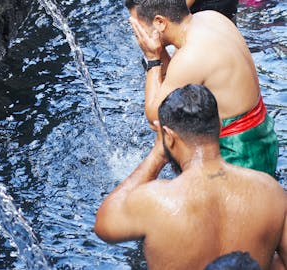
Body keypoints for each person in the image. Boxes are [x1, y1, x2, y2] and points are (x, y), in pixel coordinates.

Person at [94, 85, 287, 269]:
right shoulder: (272, 192)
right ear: (219, 125)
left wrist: (157, 154)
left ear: (168, 137)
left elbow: (104, 226)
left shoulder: (154, 200)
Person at [125, 0, 278, 174]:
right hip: (262, 137)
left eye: (138, 27)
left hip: (239, 155)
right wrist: (162, 52)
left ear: (160, 23)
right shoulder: (211, 18)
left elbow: (156, 117)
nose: (137, 35)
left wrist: (153, 59)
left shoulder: (191, 56)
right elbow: (178, 80)